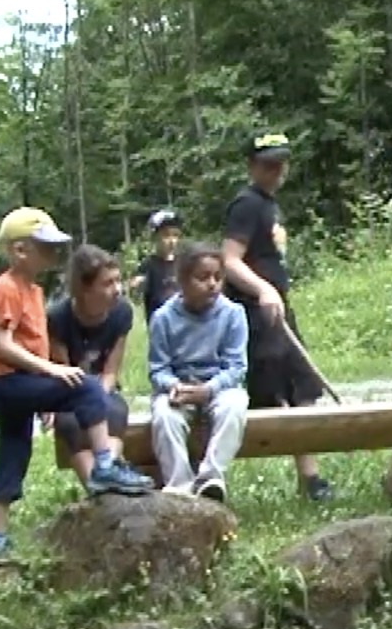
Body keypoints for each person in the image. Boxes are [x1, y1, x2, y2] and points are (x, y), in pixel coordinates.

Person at [0, 208, 151, 566]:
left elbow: (35, 341)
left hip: (21, 383)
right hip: (8, 382)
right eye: (44, 247)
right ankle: (104, 466)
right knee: (85, 387)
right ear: (20, 250)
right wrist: (51, 371)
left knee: (12, 454)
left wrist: (47, 395)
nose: (53, 254)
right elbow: (2, 343)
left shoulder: (33, 290)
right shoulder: (6, 287)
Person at [220, 131, 333, 500]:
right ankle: (209, 475)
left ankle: (310, 479)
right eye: (268, 164)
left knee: (302, 388)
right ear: (252, 166)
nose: (276, 171)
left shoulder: (269, 204)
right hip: (255, 312)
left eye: (281, 163)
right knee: (271, 393)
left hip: (277, 307)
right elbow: (229, 261)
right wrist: (263, 290)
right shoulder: (246, 204)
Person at [147, 246, 251, 499]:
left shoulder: (233, 314)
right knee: (164, 415)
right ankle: (179, 485)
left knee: (235, 405)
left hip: (219, 387)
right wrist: (174, 386)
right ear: (183, 281)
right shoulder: (163, 318)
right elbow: (158, 369)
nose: (212, 284)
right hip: (180, 388)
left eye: (218, 277)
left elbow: (236, 367)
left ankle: (210, 478)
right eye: (203, 278)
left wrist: (209, 389)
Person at [48, 245, 134, 484]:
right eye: (107, 283)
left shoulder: (122, 313)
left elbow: (111, 372)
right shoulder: (58, 317)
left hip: (102, 387)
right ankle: (97, 486)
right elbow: (64, 372)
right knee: (70, 422)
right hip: (69, 390)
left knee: (115, 411)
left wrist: (99, 397)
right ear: (84, 289)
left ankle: (110, 475)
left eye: (118, 281)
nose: (117, 289)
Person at [136, 209, 184, 322]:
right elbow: (136, 289)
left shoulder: (183, 262)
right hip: (159, 324)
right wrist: (138, 285)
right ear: (155, 237)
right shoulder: (148, 264)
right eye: (166, 235)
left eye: (175, 235)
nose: (172, 241)